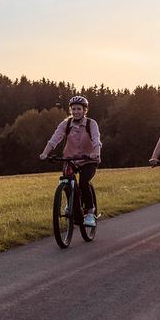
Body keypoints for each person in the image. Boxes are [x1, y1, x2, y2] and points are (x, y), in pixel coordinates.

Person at [39, 95, 102, 227]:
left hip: (88, 160)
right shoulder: (65, 124)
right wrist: (45, 153)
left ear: (85, 110)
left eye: (79, 109)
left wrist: (96, 153)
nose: (76, 112)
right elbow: (54, 139)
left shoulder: (91, 124)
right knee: (66, 180)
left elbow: (96, 141)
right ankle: (71, 204)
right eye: (73, 109)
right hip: (71, 159)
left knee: (84, 182)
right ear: (70, 110)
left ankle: (90, 212)